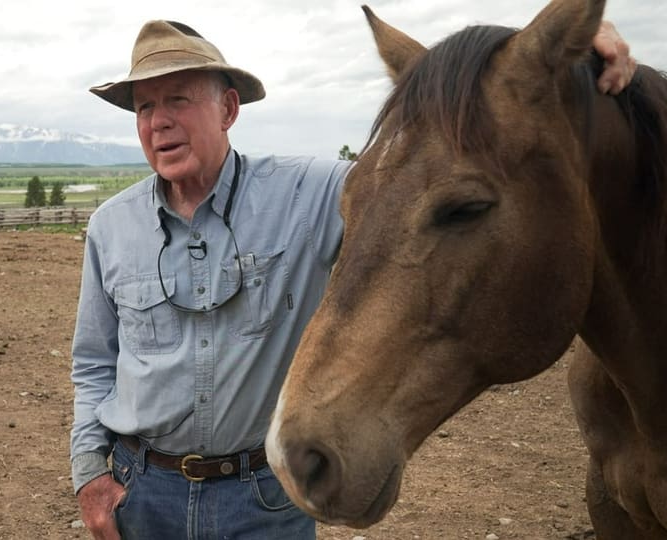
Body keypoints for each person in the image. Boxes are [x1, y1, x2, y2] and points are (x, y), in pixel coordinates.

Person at [70, 18, 636, 540]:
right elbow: (94, 364)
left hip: (260, 500)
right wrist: (89, 474)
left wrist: (572, 53)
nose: (158, 121)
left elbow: (421, 180)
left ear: (229, 109)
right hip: (144, 494)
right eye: (144, 108)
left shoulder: (310, 193)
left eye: (178, 100)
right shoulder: (110, 227)